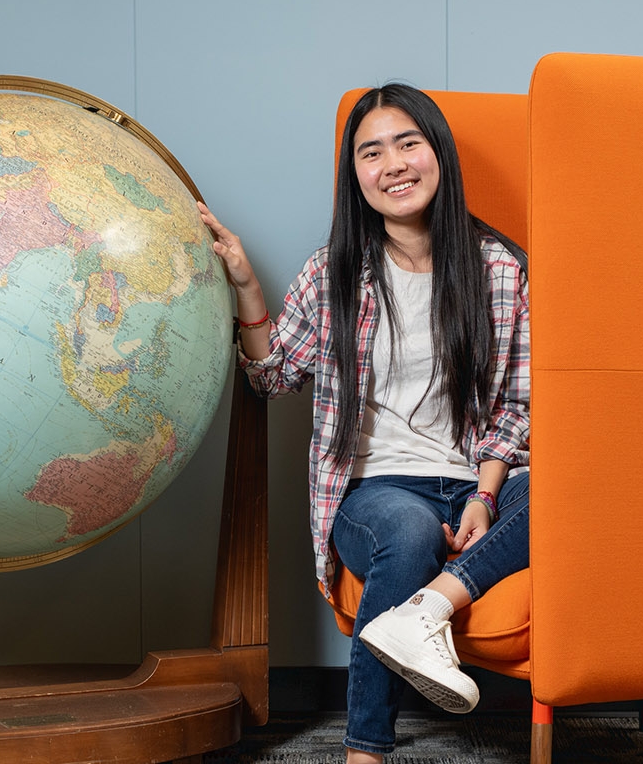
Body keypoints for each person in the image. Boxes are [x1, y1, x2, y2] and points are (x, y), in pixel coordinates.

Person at [198, 83, 530, 764]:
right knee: (407, 531)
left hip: (475, 483)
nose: (395, 164)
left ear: (438, 152)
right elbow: (274, 378)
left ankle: (428, 610)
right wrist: (246, 285)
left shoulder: (497, 267)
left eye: (409, 143)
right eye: (372, 152)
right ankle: (365, 753)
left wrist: (485, 495)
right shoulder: (334, 273)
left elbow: (513, 409)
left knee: (567, 493)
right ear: (356, 177)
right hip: (376, 493)